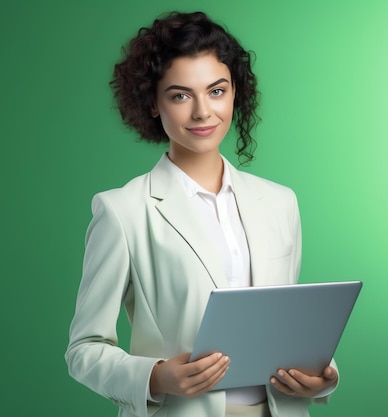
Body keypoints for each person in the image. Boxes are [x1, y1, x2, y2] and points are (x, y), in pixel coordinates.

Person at [65, 11, 339, 417]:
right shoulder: (122, 211)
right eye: (180, 95)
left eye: (216, 91)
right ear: (153, 104)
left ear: (234, 93)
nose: (202, 112)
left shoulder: (280, 202)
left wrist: (324, 374)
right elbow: (83, 351)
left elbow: (286, 326)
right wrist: (156, 377)